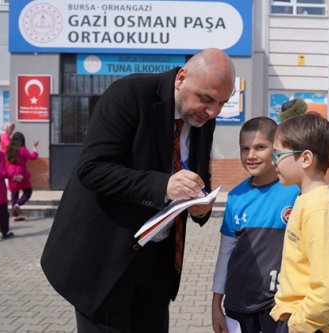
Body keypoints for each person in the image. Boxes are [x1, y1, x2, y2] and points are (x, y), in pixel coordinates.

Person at [40, 48, 236, 332]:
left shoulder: (203, 119)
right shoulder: (130, 94)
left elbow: (198, 176)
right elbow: (92, 169)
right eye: (206, 99)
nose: (213, 111)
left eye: (221, 103)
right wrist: (163, 185)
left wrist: (200, 207)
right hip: (106, 261)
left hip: (157, 264)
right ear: (181, 78)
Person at [211, 117, 300, 333]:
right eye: (245, 148)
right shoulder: (235, 196)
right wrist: (216, 304)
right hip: (237, 305)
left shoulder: (296, 191)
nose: (251, 156)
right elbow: (226, 253)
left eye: (260, 147)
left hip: (279, 305)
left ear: (276, 148)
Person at [270, 113, 329, 333]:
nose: (273, 162)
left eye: (277, 154)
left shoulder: (319, 210)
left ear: (306, 159)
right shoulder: (308, 200)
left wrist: (296, 325)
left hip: (314, 326)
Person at [6, 132, 39, 221]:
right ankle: (18, 204)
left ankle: (15, 215)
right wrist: (34, 147)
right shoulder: (22, 149)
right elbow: (33, 157)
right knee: (28, 191)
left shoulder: (9, 149)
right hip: (20, 171)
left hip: (11, 170)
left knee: (14, 193)